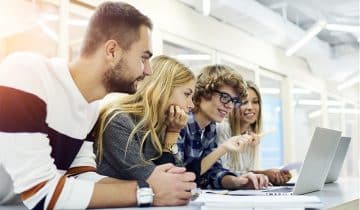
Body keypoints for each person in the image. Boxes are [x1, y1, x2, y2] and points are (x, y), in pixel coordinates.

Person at [0, 2, 195, 209]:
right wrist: (147, 191)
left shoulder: (90, 106)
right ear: (112, 51)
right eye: (143, 58)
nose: (148, 71)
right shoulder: (25, 72)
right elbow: (41, 194)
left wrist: (153, 187)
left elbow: (81, 176)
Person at [94, 55, 197, 181]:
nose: (191, 105)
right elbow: (153, 179)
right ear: (162, 89)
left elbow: (179, 174)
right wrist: (172, 134)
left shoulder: (162, 125)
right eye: (187, 94)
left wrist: (172, 133)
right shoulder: (118, 121)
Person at [177, 65, 270, 190]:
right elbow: (184, 175)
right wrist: (223, 148)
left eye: (234, 101)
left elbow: (212, 173)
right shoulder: (179, 122)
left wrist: (238, 181)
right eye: (225, 98)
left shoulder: (210, 128)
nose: (230, 106)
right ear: (204, 92)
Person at [216, 80, 291, 185]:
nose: (250, 107)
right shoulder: (222, 128)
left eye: (255, 102)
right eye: (244, 102)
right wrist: (262, 174)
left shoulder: (251, 135)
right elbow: (222, 173)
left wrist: (267, 175)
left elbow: (243, 172)